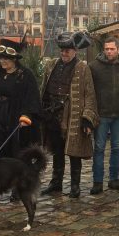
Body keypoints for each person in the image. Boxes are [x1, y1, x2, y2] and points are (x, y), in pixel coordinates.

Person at [41, 31, 98, 198]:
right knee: (57, 151)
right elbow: (44, 88)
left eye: (68, 50)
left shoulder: (82, 67)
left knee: (74, 152)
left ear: (75, 51)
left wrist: (87, 119)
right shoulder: (51, 65)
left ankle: (75, 186)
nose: (64, 53)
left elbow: (90, 93)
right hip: (52, 113)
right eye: (62, 50)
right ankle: (56, 183)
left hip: (73, 114)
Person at [0, 38, 41, 160]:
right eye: (0, 58)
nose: (2, 61)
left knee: (14, 151)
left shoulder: (26, 75)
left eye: (6, 58)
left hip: (15, 117)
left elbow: (32, 97)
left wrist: (26, 115)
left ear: (14, 59)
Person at [89, 37, 119, 195]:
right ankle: (97, 181)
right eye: (107, 49)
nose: (109, 52)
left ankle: (114, 179)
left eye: (112, 49)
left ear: (118, 50)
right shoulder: (94, 67)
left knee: (117, 148)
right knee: (99, 148)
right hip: (102, 114)